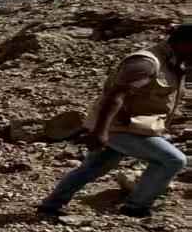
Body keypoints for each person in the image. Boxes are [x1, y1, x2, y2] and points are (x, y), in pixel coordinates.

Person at [38, 23, 191, 220]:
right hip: (118, 127)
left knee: (95, 167)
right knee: (173, 160)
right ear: (184, 43)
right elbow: (115, 96)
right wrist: (101, 131)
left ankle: (50, 205)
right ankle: (136, 207)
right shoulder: (147, 63)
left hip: (136, 126)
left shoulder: (175, 63)